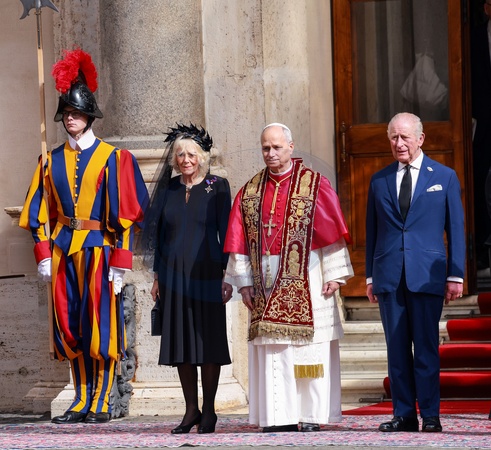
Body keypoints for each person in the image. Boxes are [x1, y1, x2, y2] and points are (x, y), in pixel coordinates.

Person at [19, 50, 148, 424]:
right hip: (63, 251)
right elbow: (38, 213)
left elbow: (125, 218)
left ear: (89, 116)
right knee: (71, 325)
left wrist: (120, 263)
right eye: (66, 114)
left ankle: (102, 399)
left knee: (100, 328)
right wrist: (44, 253)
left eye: (75, 113)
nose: (70, 119)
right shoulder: (49, 160)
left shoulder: (113, 158)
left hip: (99, 251)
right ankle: (80, 398)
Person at [224, 123, 354, 433]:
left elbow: (331, 234)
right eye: (265, 148)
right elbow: (239, 243)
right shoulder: (250, 191)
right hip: (265, 280)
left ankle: (310, 414)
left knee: (309, 349)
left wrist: (335, 273)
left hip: (309, 276)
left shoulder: (315, 185)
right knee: (274, 351)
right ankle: (276, 416)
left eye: (277, 147)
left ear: (291, 147)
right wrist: (244, 283)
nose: (270, 153)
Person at [365, 112, 465, 433]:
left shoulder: (445, 176)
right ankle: (404, 414)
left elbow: (456, 228)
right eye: (393, 137)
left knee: (425, 348)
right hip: (389, 276)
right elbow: (372, 231)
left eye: (405, 137)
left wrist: (456, 274)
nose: (399, 143)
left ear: (420, 139)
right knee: (396, 349)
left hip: (426, 276)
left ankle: (431, 415)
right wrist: (370, 276)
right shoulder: (379, 180)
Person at [141, 123, 233, 434]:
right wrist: (157, 277)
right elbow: (159, 236)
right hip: (173, 277)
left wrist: (226, 275)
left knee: (208, 342)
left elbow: (227, 233)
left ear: (202, 157)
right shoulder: (169, 189)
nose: (186, 160)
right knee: (181, 342)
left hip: (207, 274)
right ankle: (191, 409)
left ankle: (209, 411)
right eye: (180, 155)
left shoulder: (218, 186)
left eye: (191, 154)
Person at [470, 0, 491, 270]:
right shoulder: (474, 39)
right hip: (483, 125)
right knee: (479, 181)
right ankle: (483, 246)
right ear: (486, 8)